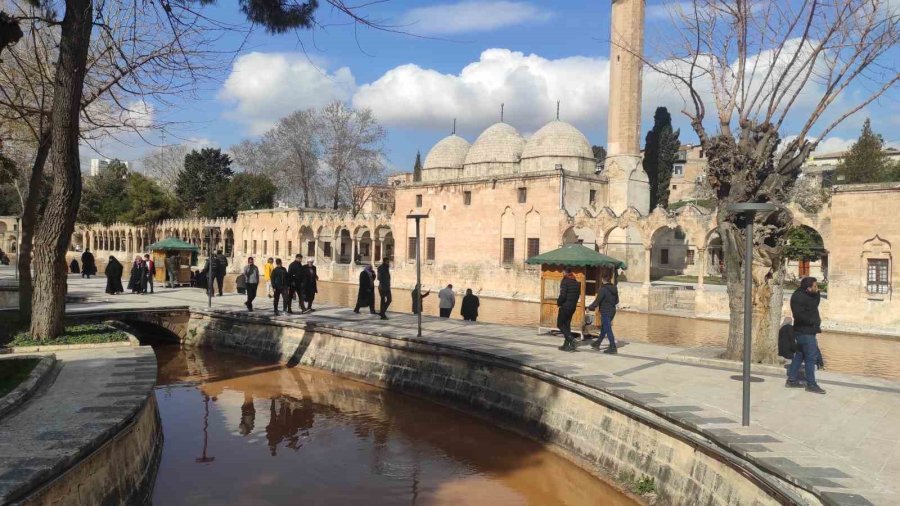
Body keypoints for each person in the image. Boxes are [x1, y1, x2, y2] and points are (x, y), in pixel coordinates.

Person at [786, 277, 826, 394]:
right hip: (804, 331)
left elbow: (815, 303)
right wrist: (812, 322)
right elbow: (798, 315)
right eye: (815, 286)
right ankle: (811, 384)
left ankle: (792, 380)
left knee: (800, 355)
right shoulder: (798, 297)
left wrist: (816, 292)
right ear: (808, 288)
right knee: (811, 357)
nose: (817, 288)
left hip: (808, 330)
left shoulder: (808, 295)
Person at [587, 275, 619, 354]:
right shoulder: (615, 288)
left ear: (602, 280)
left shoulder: (603, 289)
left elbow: (597, 302)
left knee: (608, 329)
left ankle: (613, 347)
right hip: (612, 311)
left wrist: (589, 307)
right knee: (604, 328)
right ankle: (597, 343)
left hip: (605, 311)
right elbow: (617, 301)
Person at [556, 267, 581, 352]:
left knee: (560, 324)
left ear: (565, 272)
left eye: (562, 271)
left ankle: (572, 339)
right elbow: (578, 295)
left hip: (565, 306)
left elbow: (562, 295)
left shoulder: (565, 281)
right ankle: (566, 345)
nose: (562, 273)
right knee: (567, 325)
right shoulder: (576, 282)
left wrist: (559, 303)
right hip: (572, 306)